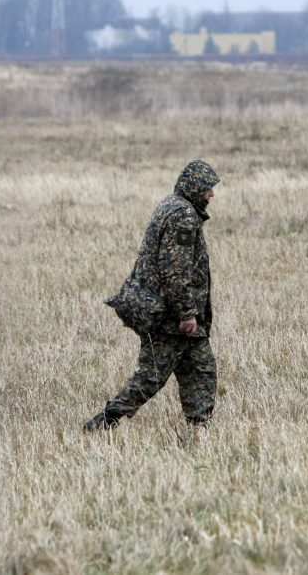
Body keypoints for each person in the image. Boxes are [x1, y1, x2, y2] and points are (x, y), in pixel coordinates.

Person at [84, 159, 220, 431]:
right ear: (194, 188)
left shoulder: (172, 205)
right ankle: (103, 423)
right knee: (152, 377)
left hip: (166, 310)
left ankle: (199, 430)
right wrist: (187, 313)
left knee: (201, 370)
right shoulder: (183, 215)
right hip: (169, 317)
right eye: (207, 188)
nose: (211, 194)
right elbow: (176, 269)